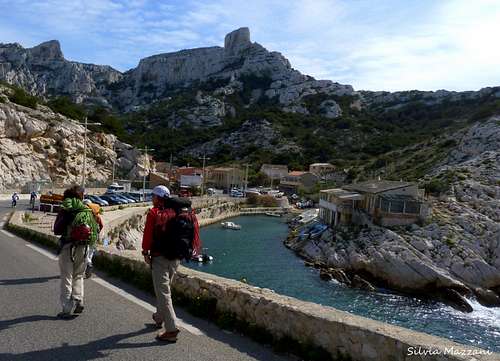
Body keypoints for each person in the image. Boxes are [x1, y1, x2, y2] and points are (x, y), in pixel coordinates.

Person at [53, 186, 99, 319]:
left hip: (68, 247)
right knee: (78, 275)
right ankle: (79, 300)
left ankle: (66, 308)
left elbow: (57, 229)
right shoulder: (87, 210)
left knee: (66, 277)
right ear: (81, 197)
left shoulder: (66, 210)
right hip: (84, 247)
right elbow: (97, 227)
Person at [142, 185, 180, 342]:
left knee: (163, 292)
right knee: (164, 289)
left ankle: (171, 330)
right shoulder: (176, 212)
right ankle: (159, 317)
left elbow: (147, 236)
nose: (152, 198)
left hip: (159, 258)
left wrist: (145, 252)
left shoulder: (153, 213)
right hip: (175, 258)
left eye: (153, 196)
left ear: (157, 198)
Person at [83, 199, 104, 279]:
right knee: (90, 253)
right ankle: (89, 264)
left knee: (84, 253)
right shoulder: (96, 215)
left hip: (86, 236)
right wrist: (97, 232)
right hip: (94, 237)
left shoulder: (84, 214)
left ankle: (88, 264)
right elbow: (101, 225)